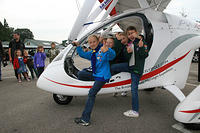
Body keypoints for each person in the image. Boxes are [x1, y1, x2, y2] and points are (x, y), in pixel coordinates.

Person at [74, 35, 116, 126]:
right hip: (96, 74)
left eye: (94, 42)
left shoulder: (103, 49)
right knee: (81, 73)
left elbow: (113, 56)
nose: (92, 44)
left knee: (91, 94)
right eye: (90, 42)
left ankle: (85, 119)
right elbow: (82, 54)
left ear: (98, 42)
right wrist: (78, 46)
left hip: (102, 76)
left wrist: (108, 50)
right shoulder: (92, 52)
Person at [123, 26, 148, 118]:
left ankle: (135, 111)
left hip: (136, 69)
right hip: (130, 66)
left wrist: (141, 47)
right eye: (129, 34)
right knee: (114, 67)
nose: (131, 35)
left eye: (132, 33)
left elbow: (145, 55)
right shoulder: (129, 43)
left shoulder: (141, 42)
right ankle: (121, 89)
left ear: (136, 33)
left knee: (134, 89)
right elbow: (126, 58)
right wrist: (128, 52)